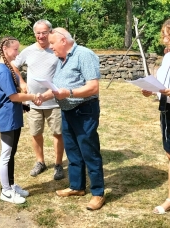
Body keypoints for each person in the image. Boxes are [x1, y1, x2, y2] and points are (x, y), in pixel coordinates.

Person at [39, 27, 105, 210]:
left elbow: (93, 87)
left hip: (84, 111)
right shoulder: (61, 59)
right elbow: (59, 86)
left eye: (52, 43)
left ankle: (98, 193)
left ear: (63, 40)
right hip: (67, 111)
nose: (50, 47)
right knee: (73, 150)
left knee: (89, 151)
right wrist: (44, 96)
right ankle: (77, 187)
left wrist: (68, 92)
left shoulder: (84, 54)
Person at [12, 19, 65, 180]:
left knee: (58, 133)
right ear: (34, 34)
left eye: (44, 32)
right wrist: (21, 82)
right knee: (36, 133)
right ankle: (40, 162)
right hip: (33, 102)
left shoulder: (56, 49)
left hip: (54, 101)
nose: (41, 36)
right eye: (38, 33)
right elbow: (14, 65)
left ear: (50, 32)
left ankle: (58, 164)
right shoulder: (28, 51)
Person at [0, 36, 41, 204]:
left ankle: (11, 185)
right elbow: (13, 96)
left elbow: (13, 95)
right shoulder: (2, 71)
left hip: (14, 116)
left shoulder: (8, 69)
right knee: (6, 155)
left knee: (12, 153)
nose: (17, 53)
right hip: (7, 118)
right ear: (5, 50)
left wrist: (23, 106)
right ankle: (5, 191)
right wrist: (32, 97)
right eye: (15, 49)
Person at [142, 19, 170, 214]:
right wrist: (151, 89)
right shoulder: (167, 56)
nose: (164, 38)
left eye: (168, 34)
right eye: (164, 34)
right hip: (166, 109)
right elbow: (162, 81)